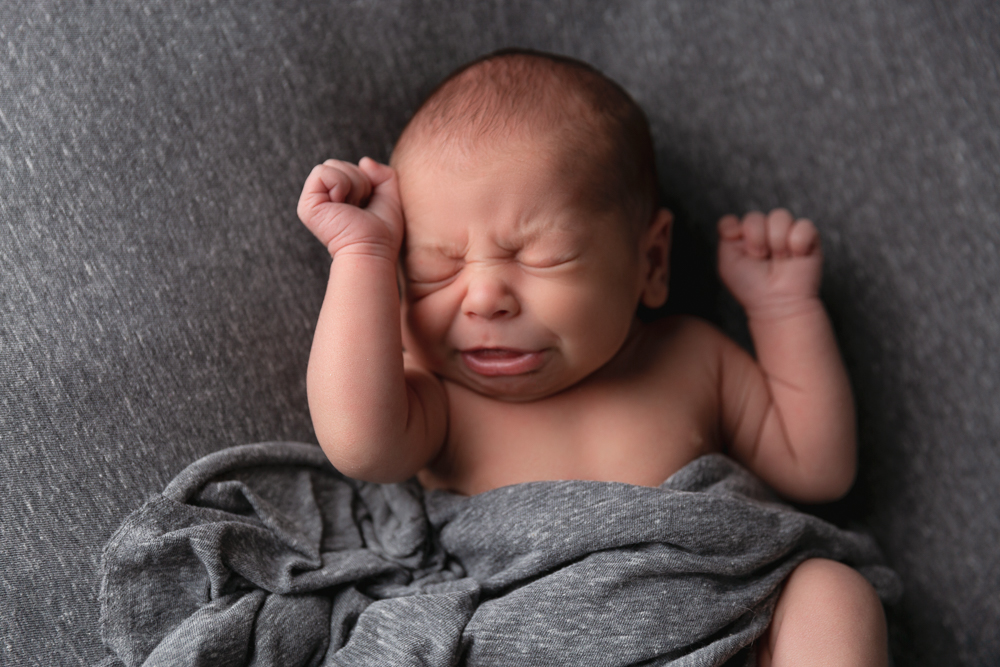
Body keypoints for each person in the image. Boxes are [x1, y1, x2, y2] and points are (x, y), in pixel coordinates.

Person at [297, 49, 888, 666]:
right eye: (432, 270)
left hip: (720, 631)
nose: (484, 297)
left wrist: (784, 312)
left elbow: (818, 468)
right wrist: (361, 256)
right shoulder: (441, 402)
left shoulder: (690, 358)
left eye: (542, 256)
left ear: (651, 262)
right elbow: (357, 443)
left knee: (833, 592)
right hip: (531, 644)